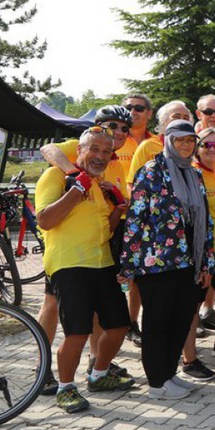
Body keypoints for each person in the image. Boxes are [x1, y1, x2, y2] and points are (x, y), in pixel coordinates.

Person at [36, 106, 135, 394]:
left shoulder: (101, 181)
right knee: (77, 332)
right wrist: (75, 188)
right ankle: (65, 388)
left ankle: (99, 373)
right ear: (78, 150)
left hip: (101, 262)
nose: (101, 156)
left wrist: (117, 207)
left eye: (107, 152)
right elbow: (46, 220)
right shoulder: (55, 176)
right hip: (69, 263)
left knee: (118, 326)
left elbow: (106, 231)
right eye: (95, 150)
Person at [120, 120, 215, 399]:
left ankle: (169, 373)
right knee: (157, 323)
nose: (185, 145)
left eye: (190, 140)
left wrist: (207, 261)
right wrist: (129, 263)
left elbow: (205, 221)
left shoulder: (195, 175)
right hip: (156, 263)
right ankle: (156, 382)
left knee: (181, 319)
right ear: (167, 140)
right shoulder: (150, 172)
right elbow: (136, 220)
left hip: (189, 261)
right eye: (180, 140)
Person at [185, 127, 215, 380]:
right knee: (192, 304)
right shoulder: (192, 174)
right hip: (200, 251)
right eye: (206, 145)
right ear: (197, 147)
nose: (212, 149)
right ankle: (189, 358)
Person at [121, 93, 156, 166]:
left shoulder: (159, 143)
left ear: (149, 114)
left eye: (139, 108)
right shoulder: (113, 142)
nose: (132, 112)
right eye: (128, 108)